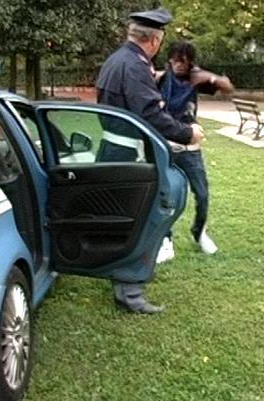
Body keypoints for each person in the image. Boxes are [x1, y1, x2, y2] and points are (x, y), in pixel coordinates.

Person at [95, 7, 205, 314]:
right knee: (140, 218)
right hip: (131, 153)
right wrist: (188, 133)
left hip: (113, 149)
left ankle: (117, 275)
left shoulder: (117, 60)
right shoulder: (135, 66)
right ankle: (129, 291)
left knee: (120, 217)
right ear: (155, 41)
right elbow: (150, 114)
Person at [155, 41, 234, 262]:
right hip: (166, 145)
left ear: (190, 61)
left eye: (183, 60)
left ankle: (199, 232)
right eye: (174, 60)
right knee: (166, 195)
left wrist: (210, 78)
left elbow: (228, 87)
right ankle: (165, 239)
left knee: (202, 193)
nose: (178, 65)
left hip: (190, 147)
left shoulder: (195, 78)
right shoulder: (161, 79)